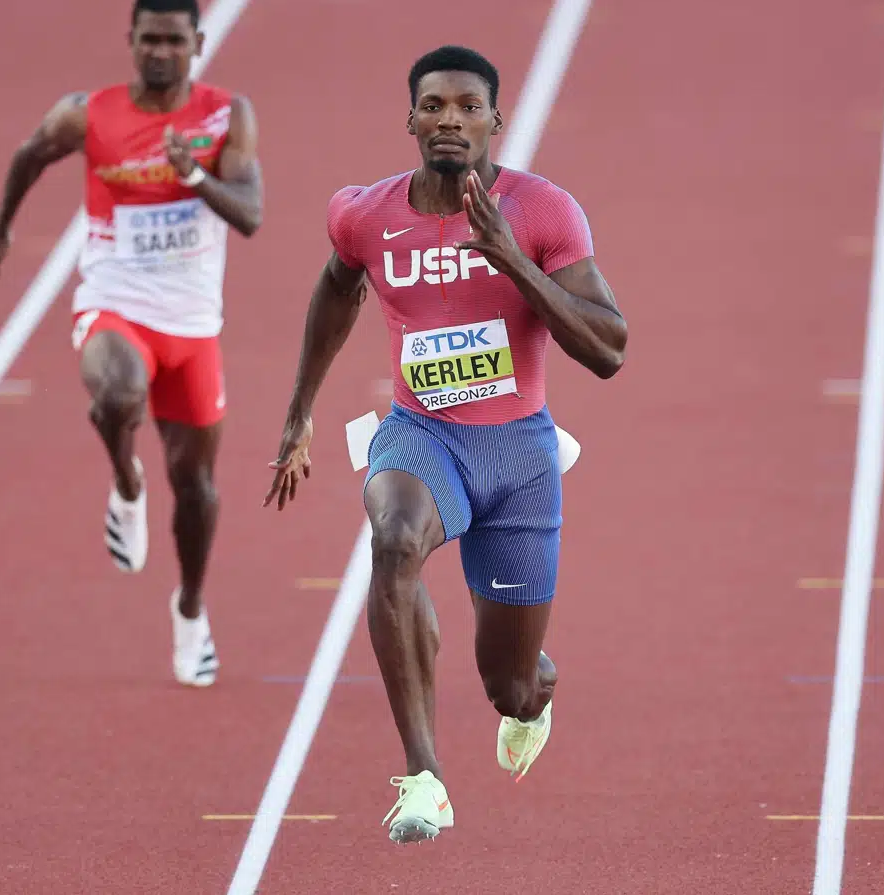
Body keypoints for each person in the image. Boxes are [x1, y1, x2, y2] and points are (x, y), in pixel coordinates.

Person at [262, 45, 626, 844]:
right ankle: (423, 775)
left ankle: (537, 689)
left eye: (468, 107)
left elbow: (609, 348)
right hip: (422, 434)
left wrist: (514, 265)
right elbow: (336, 286)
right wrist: (300, 412)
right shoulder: (367, 213)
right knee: (393, 539)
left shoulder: (542, 211)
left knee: (510, 684)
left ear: (495, 120)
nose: (450, 120)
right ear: (411, 120)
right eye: (434, 106)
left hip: (519, 456)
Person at [0, 0, 264, 688]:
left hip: (193, 320)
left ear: (197, 45)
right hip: (116, 300)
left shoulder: (228, 116)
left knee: (195, 486)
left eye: (175, 40)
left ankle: (191, 609)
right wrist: (1, 228)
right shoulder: (89, 114)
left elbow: (251, 212)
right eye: (149, 39)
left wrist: (193, 174)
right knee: (114, 391)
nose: (161, 51)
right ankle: (127, 482)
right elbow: (28, 154)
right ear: (131, 41)